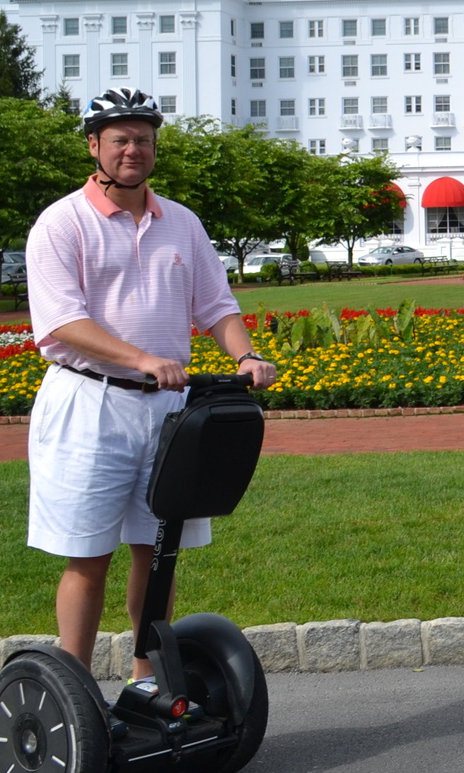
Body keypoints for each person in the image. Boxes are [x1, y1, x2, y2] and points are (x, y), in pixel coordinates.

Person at [25, 90, 279, 680]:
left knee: (157, 550)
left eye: (142, 139)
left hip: (169, 413)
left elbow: (215, 303)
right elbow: (62, 320)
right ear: (95, 146)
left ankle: (148, 683)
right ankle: (76, 690)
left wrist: (245, 355)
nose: (132, 150)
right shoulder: (63, 222)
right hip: (92, 404)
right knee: (88, 556)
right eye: (120, 139)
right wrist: (142, 358)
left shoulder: (182, 223)